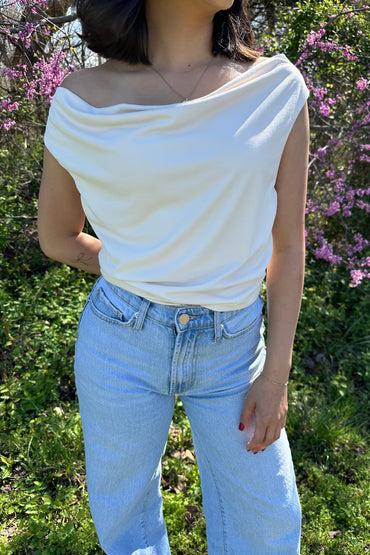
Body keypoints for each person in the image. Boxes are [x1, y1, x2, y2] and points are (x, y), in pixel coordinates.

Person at [37, 0, 310, 553]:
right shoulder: (80, 100)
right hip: (120, 340)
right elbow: (58, 235)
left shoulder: (276, 88)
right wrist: (137, 265)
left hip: (234, 350)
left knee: (268, 524)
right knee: (127, 522)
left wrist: (276, 373)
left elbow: (288, 242)